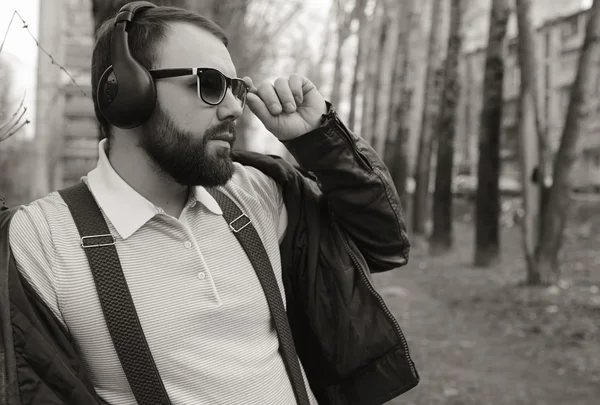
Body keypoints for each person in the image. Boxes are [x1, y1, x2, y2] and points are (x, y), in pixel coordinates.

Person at [0, 2, 418, 405]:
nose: (236, 107)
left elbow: (381, 244)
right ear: (126, 93)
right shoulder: (41, 240)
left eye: (236, 88)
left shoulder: (258, 192)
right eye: (212, 85)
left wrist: (318, 142)